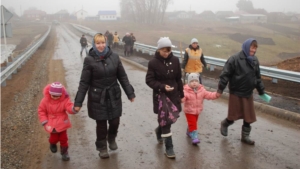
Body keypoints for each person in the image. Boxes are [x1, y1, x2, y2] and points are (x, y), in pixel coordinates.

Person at [74, 33, 135, 159]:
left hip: (113, 95)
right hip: (98, 97)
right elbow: (84, 82)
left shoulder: (115, 57)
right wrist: (78, 102)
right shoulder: (89, 60)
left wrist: (130, 93)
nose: (101, 46)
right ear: (94, 44)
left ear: (106, 43)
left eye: (103, 43)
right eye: (98, 43)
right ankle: (102, 147)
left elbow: (122, 77)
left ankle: (111, 138)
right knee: (101, 125)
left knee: (115, 122)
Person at [218, 38, 265, 145]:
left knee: (248, 117)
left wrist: (261, 91)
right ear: (246, 47)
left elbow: (257, 77)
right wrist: (220, 89)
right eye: (251, 49)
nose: (253, 52)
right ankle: (225, 123)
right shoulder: (234, 59)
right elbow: (225, 75)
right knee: (233, 116)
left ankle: (245, 137)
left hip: (248, 93)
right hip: (236, 92)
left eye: (255, 50)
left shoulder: (254, 60)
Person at [146, 37, 184, 159]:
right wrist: (162, 87)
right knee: (166, 121)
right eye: (164, 51)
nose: (166, 53)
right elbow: (149, 80)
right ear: (159, 50)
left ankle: (159, 130)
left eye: (168, 50)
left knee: (171, 118)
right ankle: (169, 148)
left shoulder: (176, 60)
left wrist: (181, 94)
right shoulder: (153, 63)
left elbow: (178, 79)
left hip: (173, 95)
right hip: (160, 95)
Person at [38, 82, 77, 161]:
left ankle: (65, 152)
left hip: (62, 122)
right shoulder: (45, 100)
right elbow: (41, 111)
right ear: (50, 93)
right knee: (54, 138)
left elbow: (68, 106)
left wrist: (73, 109)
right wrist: (44, 120)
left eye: (57, 96)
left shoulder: (64, 99)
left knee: (64, 139)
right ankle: (52, 143)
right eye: (53, 96)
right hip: (51, 123)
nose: (55, 97)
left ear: (61, 94)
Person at [182, 73, 220, 145]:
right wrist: (180, 98)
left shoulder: (201, 90)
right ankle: (194, 137)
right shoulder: (186, 91)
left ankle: (189, 131)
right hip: (189, 111)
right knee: (193, 124)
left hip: (197, 111)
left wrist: (216, 95)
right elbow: (182, 98)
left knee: (193, 123)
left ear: (198, 82)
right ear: (188, 82)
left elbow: (209, 95)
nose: (194, 83)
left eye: (196, 81)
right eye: (192, 81)